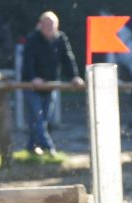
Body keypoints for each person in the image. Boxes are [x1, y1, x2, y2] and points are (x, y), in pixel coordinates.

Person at [22, 11, 84, 157]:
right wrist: (33, 78)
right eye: (47, 24)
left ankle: (31, 147)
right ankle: (49, 148)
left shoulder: (60, 39)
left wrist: (74, 76)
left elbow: (68, 58)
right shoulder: (32, 40)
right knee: (38, 117)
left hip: (50, 85)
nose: (49, 28)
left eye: (52, 25)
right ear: (40, 25)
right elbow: (28, 62)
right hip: (32, 86)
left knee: (43, 119)